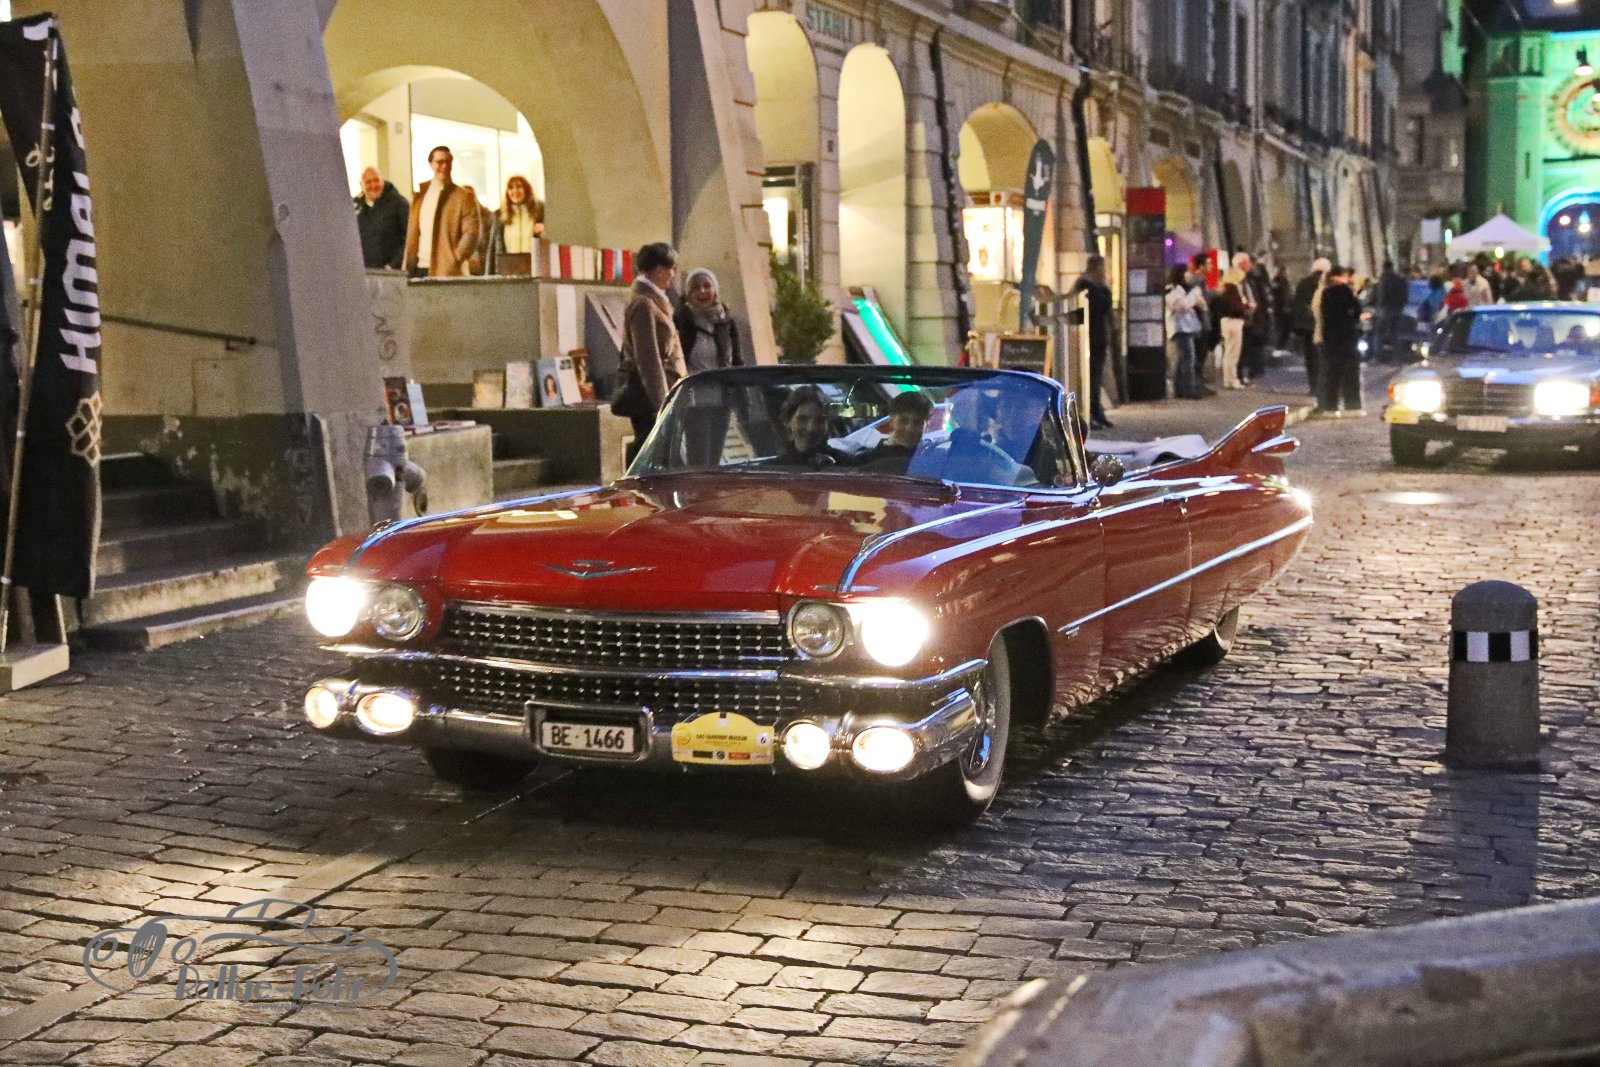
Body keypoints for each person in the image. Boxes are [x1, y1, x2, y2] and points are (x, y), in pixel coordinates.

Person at [615, 242, 686, 449]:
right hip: (649, 398)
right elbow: (648, 359)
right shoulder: (644, 304)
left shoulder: (654, 300)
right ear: (659, 270)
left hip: (662, 390)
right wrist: (661, 402)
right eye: (671, 269)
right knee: (651, 448)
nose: (673, 275)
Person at [403, 146, 482, 278]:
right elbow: (413, 233)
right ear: (431, 164)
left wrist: (455, 257)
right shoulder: (420, 196)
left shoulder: (463, 197)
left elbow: (472, 232)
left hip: (447, 270)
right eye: (439, 162)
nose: (444, 166)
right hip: (418, 268)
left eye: (448, 162)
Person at [1071, 255, 1114, 429]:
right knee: (1090, 378)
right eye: (1102, 269)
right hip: (1089, 337)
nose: (1104, 272)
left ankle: (1097, 412)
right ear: (1096, 269)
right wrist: (1104, 288)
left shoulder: (1095, 286)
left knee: (1096, 378)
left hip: (1098, 337)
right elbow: (1101, 305)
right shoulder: (1086, 285)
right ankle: (1090, 413)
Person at [674, 268, 744, 373]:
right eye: (696, 288)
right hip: (693, 381)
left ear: (715, 291)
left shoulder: (727, 322)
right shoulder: (680, 321)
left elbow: (737, 360)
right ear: (689, 294)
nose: (702, 291)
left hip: (722, 381)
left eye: (707, 286)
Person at [1316, 267, 1364, 416]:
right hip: (1348, 336)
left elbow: (1324, 314)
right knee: (1350, 373)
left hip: (1331, 337)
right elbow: (1357, 311)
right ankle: (1352, 406)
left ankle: (1330, 407)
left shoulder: (1326, 292)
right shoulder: (1347, 291)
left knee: (1332, 373)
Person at [857, 390, 934, 472]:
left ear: (927, 425)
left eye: (917, 422)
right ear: (891, 422)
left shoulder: (934, 456)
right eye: (903, 421)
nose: (910, 428)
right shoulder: (872, 457)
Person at [775, 386, 847, 468]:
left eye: (820, 420)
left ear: (828, 424)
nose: (811, 428)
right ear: (788, 421)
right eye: (802, 419)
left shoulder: (848, 466)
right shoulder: (770, 469)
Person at [489, 175, 544, 274]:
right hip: (508, 272)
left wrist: (544, 231)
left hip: (534, 270)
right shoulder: (499, 215)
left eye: (519, 187)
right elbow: (493, 248)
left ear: (526, 190)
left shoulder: (540, 212)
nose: (515, 191)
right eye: (511, 188)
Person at [354, 167, 407, 270]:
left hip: (392, 273)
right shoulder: (356, 207)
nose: (373, 185)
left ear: (382, 181)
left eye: (376, 180)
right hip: (363, 272)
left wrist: (392, 265)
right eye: (368, 182)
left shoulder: (399, 204)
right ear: (361, 185)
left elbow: (408, 239)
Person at [1164, 265, 1204, 399]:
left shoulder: (1181, 289)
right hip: (1180, 329)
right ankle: (1188, 389)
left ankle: (1181, 388)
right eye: (1187, 273)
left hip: (1186, 328)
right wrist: (1194, 295)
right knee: (1187, 360)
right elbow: (1182, 306)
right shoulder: (1172, 290)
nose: (1189, 276)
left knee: (1184, 359)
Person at [1292, 258, 1329, 398]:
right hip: (1321, 325)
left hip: (1307, 326)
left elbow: (1297, 304)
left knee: (1311, 357)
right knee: (1323, 356)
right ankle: (1323, 386)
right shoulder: (1325, 283)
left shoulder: (1303, 283)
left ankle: (1313, 386)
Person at [1216, 274, 1250, 390]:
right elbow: (1239, 307)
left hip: (1225, 322)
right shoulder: (1234, 290)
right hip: (1235, 323)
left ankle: (1227, 380)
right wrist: (1246, 307)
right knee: (1234, 353)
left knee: (1227, 352)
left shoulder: (1223, 293)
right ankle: (1233, 380)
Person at [1374, 260, 1408, 363]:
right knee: (1394, 333)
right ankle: (1397, 358)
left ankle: (1377, 357)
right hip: (1397, 309)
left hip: (1385, 309)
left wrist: (1379, 306)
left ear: (1384, 267)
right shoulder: (1399, 279)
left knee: (1379, 332)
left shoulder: (1384, 279)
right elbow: (1405, 295)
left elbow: (1382, 295)